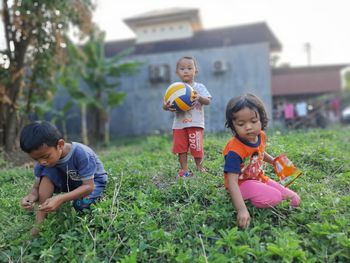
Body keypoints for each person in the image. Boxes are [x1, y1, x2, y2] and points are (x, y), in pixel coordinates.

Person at [223, 94, 300, 229]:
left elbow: (259, 152)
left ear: (261, 119)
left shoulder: (260, 136)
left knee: (294, 199)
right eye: (241, 124)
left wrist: (274, 161)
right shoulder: (235, 152)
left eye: (253, 121)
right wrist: (241, 210)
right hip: (241, 184)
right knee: (275, 197)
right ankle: (250, 198)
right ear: (233, 125)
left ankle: (275, 204)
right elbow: (232, 182)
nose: (248, 127)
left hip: (258, 178)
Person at [20, 121, 108, 236]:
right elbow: (36, 189)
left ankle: (99, 198)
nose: (42, 162)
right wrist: (30, 198)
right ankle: (39, 224)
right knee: (46, 173)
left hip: (93, 182)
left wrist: (61, 198)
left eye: (46, 156)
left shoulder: (81, 154)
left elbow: (89, 186)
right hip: (70, 181)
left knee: (80, 205)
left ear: (60, 144)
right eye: (37, 159)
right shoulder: (44, 163)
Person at [163, 56, 212, 178]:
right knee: (181, 149)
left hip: (195, 123)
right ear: (177, 72)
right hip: (179, 125)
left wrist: (199, 98)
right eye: (182, 68)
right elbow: (165, 104)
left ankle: (199, 167)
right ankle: (184, 170)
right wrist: (166, 106)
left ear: (196, 71)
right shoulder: (174, 89)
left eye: (189, 68)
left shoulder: (199, 87)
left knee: (197, 147)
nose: (186, 71)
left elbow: (208, 101)